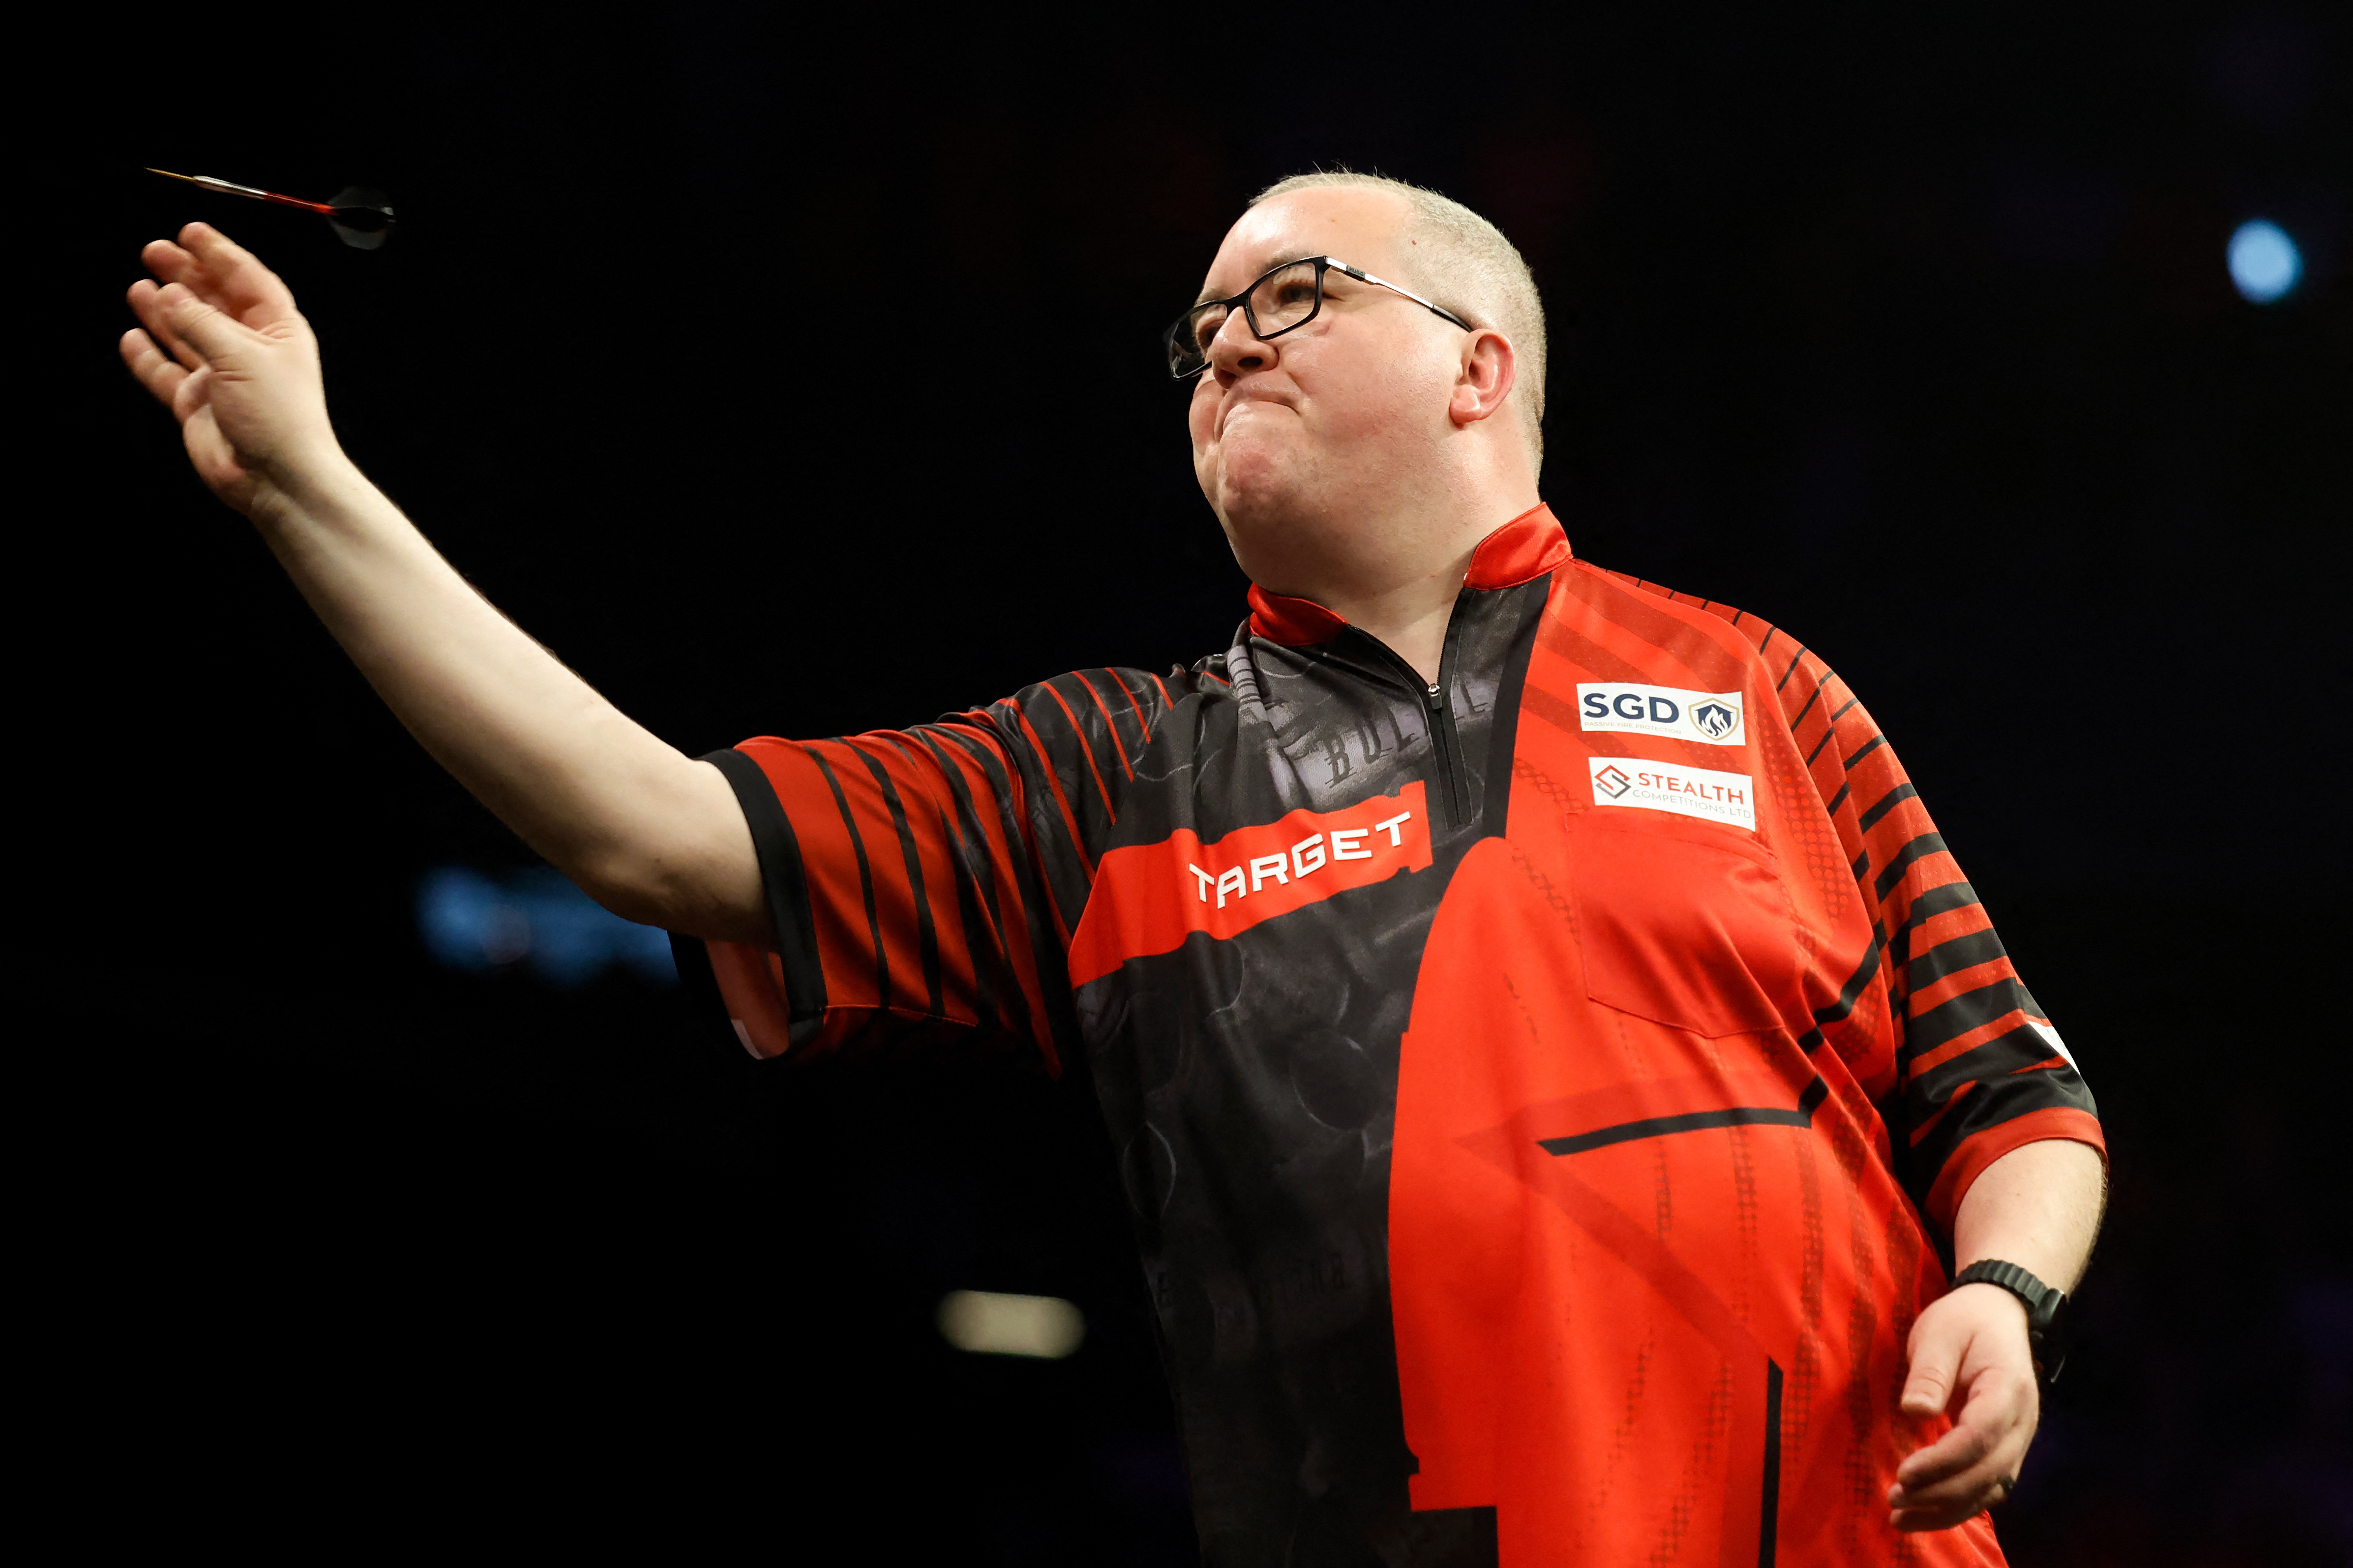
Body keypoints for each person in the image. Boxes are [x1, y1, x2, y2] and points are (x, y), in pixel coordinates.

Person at [122, 170, 2105, 1565]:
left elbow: (2008, 1090)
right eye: (1199, 327)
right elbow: (651, 826)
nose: (1219, 343)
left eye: (1292, 296)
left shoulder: (1756, 689)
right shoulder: (1116, 774)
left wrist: (2004, 1290)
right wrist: (309, 483)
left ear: (1480, 366)